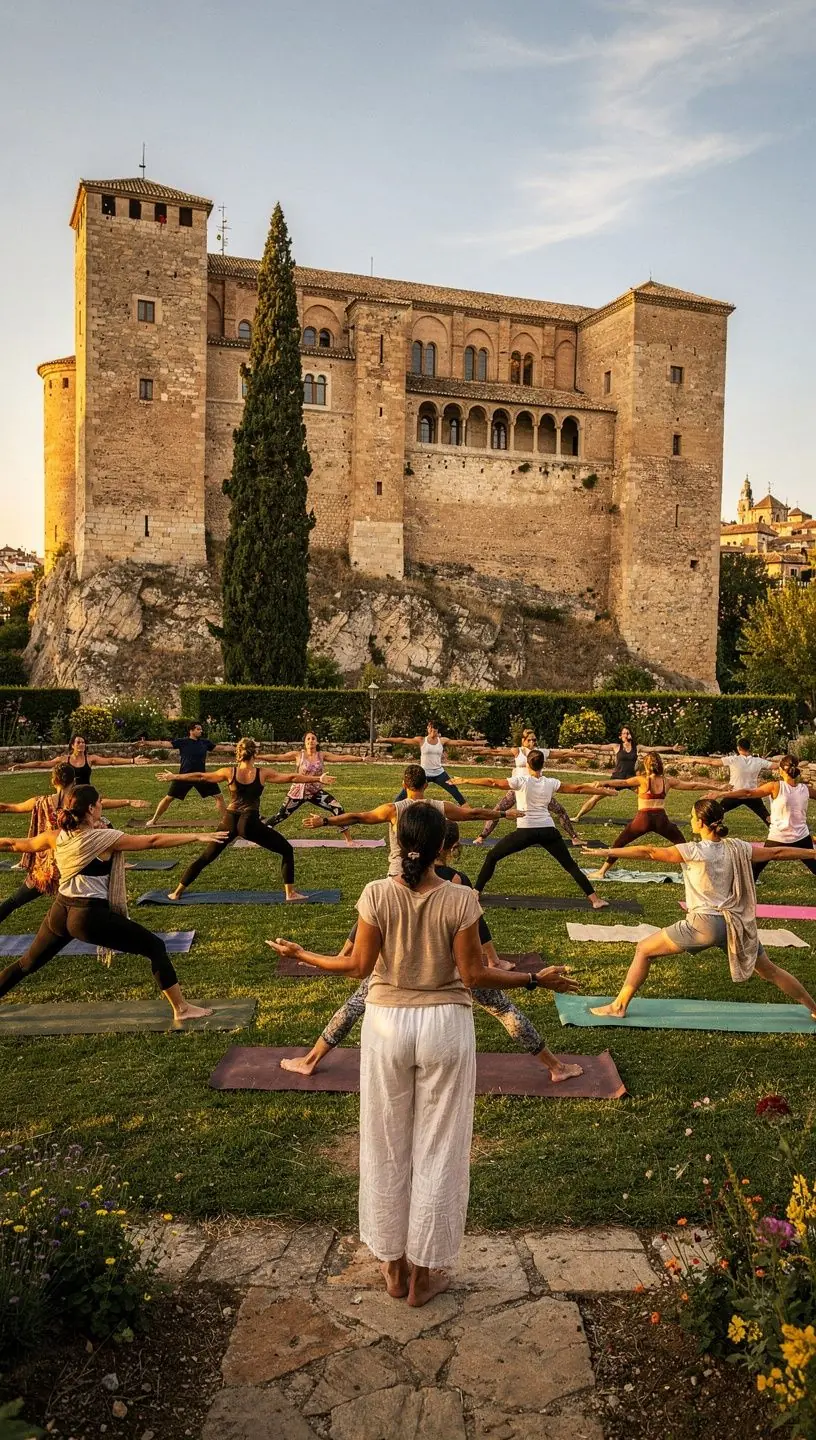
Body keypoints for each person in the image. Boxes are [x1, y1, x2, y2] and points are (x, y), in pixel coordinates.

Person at [269, 802, 574, 1307]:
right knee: (440, 1148)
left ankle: (393, 1267)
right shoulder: (461, 897)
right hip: (445, 1028)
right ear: (443, 848)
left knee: (385, 1142)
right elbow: (474, 977)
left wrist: (301, 953)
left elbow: (355, 969)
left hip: (386, 1025)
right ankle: (425, 1276)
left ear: (397, 843)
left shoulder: (376, 894)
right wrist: (534, 978)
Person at [270, 821, 583, 1083]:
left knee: (352, 1008)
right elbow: (479, 934)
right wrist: (512, 969)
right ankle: (555, 1067)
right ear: (449, 847)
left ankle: (310, 1059)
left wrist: (310, 953)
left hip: (397, 980)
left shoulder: (385, 886)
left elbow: (364, 931)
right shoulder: (459, 883)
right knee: (505, 1011)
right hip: (454, 978)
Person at [0, 785, 220, 1022]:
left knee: (26, 964)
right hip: (87, 916)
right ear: (92, 808)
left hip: (60, 911)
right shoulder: (104, 839)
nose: (102, 805)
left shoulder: (57, 836)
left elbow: (13, 844)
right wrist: (197, 836)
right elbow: (152, 841)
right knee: (155, 947)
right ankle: (182, 1009)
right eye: (100, 802)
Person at [584, 798, 816, 1020]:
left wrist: (608, 852)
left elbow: (649, 851)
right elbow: (777, 852)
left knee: (644, 950)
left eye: (692, 816)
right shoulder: (739, 848)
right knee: (770, 971)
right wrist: (812, 852)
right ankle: (814, 1008)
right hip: (734, 925)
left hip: (702, 925)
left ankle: (618, 1006)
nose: (690, 818)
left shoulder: (692, 850)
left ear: (701, 823)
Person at [449, 750, 614, 908]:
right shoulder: (550, 782)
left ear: (528, 765)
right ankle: (595, 900)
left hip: (526, 831)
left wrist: (465, 780)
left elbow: (493, 782)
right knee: (570, 865)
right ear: (543, 765)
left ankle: (476, 892)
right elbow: (579, 789)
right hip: (548, 831)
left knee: (493, 856)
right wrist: (603, 791)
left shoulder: (521, 781)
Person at [157, 737, 308, 902]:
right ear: (254, 754)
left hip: (229, 820)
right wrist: (318, 779)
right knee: (286, 850)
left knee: (206, 857)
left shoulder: (228, 772)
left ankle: (176, 892)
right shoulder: (262, 773)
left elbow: (201, 776)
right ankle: (290, 894)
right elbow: (292, 778)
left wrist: (175, 777)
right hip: (249, 823)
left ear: (238, 754)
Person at [0, 762, 149, 926]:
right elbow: (102, 803)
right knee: (85, 905)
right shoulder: (79, 804)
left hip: (45, 869)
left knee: (15, 901)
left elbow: (8, 807)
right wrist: (127, 801)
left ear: (53, 781)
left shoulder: (39, 802)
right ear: (74, 781)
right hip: (76, 864)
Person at [299, 763, 502, 872]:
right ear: (426, 785)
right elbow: (473, 813)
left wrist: (325, 821)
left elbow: (357, 817)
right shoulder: (440, 806)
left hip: (398, 871)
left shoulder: (393, 810)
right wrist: (503, 813)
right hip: (428, 872)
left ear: (404, 785)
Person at [587, 751, 728, 879]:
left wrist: (602, 782)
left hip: (642, 819)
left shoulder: (641, 780)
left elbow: (622, 782)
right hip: (661, 820)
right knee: (682, 844)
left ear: (646, 766)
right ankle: (693, 873)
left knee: (619, 843)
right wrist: (717, 787)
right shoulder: (667, 781)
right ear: (660, 765)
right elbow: (693, 786)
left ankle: (601, 872)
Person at [474, 728, 580, 845]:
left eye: (534, 740)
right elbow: (496, 752)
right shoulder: (517, 751)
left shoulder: (541, 752)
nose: (532, 742)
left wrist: (582, 754)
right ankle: (481, 837)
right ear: (523, 740)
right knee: (497, 811)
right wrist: (479, 751)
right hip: (517, 789)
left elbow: (564, 754)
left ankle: (574, 838)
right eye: (529, 740)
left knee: (560, 811)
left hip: (537, 790)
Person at [263, 731, 366, 844]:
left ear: (316, 742)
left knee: (338, 808)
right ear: (304, 742)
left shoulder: (321, 755)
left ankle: (349, 840)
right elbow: (277, 757)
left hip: (315, 792)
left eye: (313, 738)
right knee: (280, 816)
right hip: (298, 793)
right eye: (308, 739)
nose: (310, 741)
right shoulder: (298, 755)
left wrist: (361, 759)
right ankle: (260, 834)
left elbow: (343, 758)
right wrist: (257, 756)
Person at [726, 754, 816, 881]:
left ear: (780, 770)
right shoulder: (805, 789)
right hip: (801, 837)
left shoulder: (775, 786)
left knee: (754, 869)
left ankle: (740, 894)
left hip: (779, 837)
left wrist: (721, 793)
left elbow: (748, 793)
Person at [147, 723, 228, 827]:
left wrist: (240, 747)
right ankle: (153, 820)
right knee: (169, 798)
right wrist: (146, 743)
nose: (201, 731)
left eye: (201, 729)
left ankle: (227, 821)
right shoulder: (183, 742)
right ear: (191, 730)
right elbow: (164, 743)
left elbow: (222, 748)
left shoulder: (205, 743)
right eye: (198, 729)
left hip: (201, 776)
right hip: (184, 777)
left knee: (219, 796)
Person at [387, 721, 479, 804]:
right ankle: (394, 806)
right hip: (424, 773)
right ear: (427, 728)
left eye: (434, 729)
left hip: (439, 773)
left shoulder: (442, 741)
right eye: (430, 728)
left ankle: (465, 807)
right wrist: (385, 739)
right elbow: (402, 740)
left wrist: (474, 743)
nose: (432, 730)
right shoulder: (421, 740)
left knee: (453, 789)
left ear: (437, 730)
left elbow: (458, 742)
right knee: (408, 788)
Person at [8, 734, 152, 783]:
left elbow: (111, 761)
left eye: (83, 742)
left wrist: (132, 760)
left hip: (86, 792)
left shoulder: (90, 759)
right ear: (72, 745)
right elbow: (42, 763)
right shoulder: (64, 759)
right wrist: (22, 766)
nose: (82, 744)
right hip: (70, 793)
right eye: (78, 742)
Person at [573, 726, 638, 821]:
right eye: (624, 733)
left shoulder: (637, 748)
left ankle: (650, 819)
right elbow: (599, 747)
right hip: (616, 779)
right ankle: (577, 817)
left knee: (647, 796)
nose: (626, 735)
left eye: (628, 733)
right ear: (620, 736)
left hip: (630, 780)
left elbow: (654, 748)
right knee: (596, 797)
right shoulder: (616, 747)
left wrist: (668, 747)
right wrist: (582, 746)